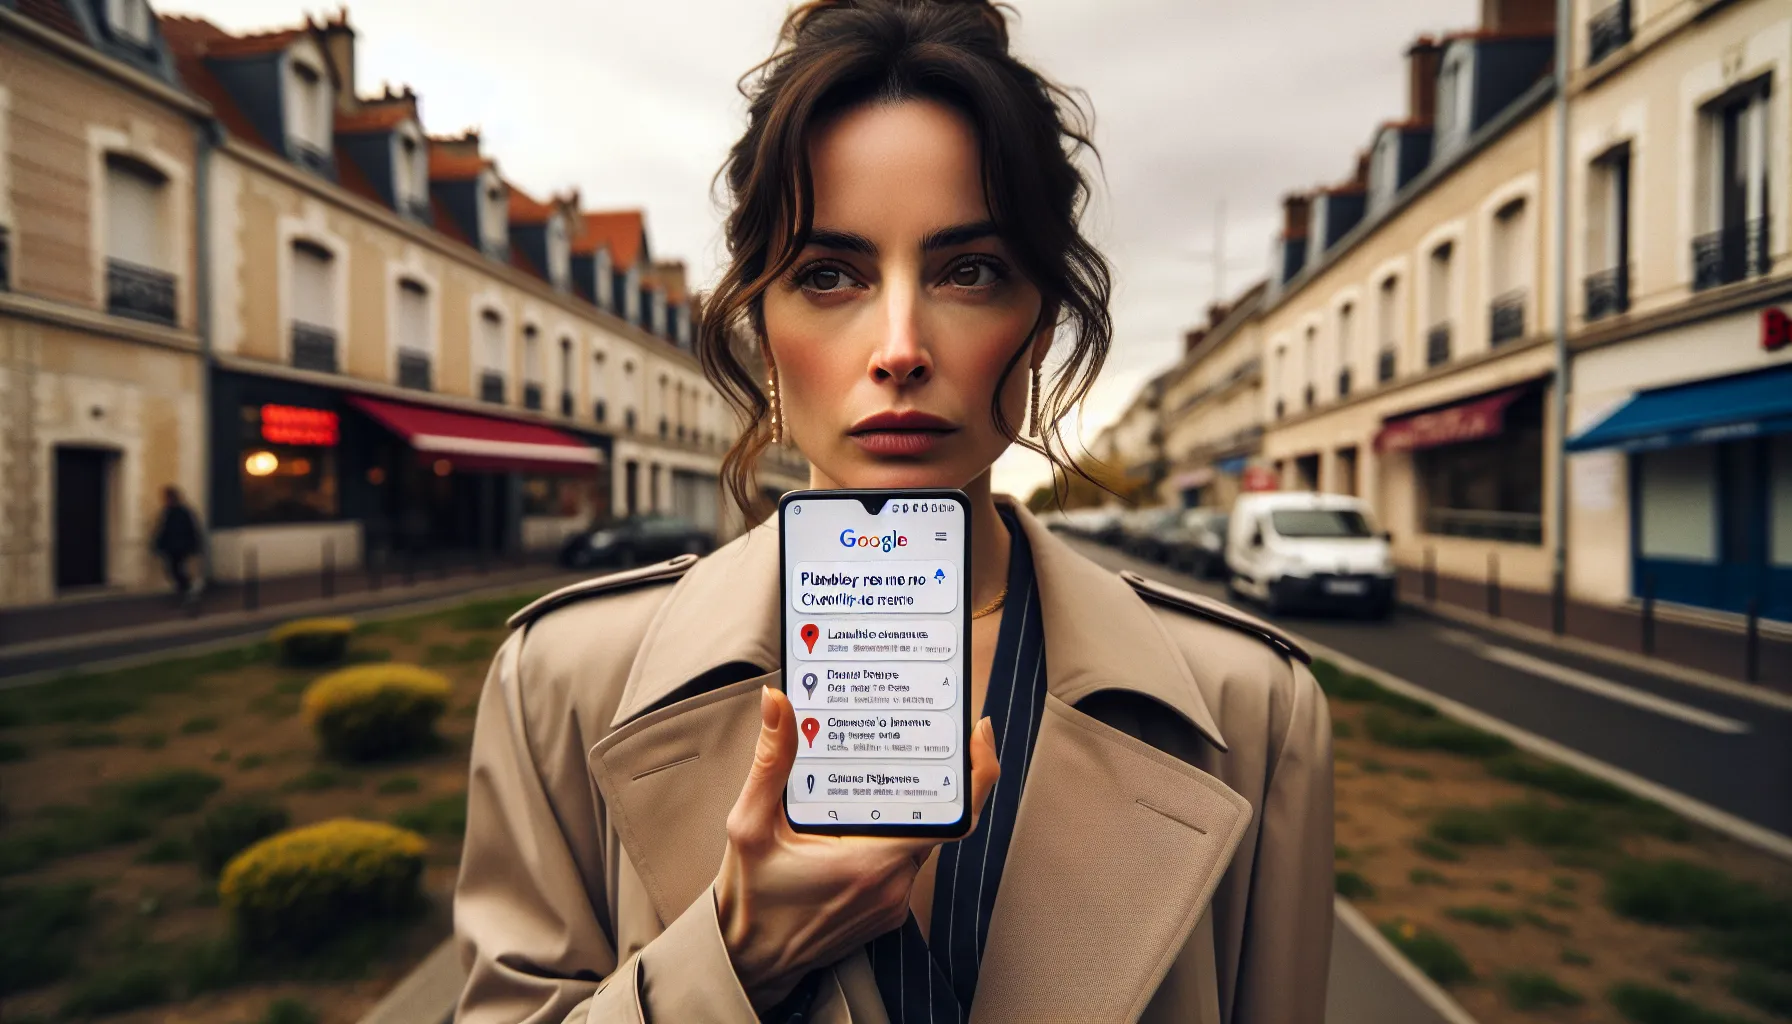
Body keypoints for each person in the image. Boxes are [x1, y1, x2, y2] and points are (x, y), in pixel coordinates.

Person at [454, 2, 1333, 1021]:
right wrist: (736, 958)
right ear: (761, 325)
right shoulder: (563, 684)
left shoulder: (1252, 711)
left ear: (1039, 323)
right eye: (829, 275)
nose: (900, 344)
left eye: (971, 270)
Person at [151, 486, 202, 604]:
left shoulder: (182, 512)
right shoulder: (168, 512)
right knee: (173, 570)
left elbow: (191, 530)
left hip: (180, 546)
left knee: (176, 569)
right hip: (172, 547)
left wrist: (193, 546)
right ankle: (185, 590)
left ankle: (187, 589)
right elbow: (163, 530)